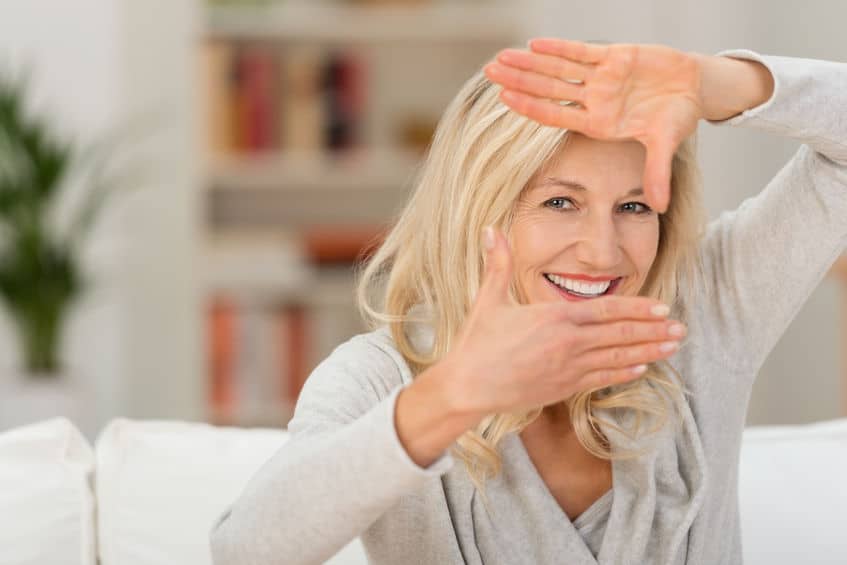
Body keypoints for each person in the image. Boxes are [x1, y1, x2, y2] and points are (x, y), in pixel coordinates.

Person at [209, 38, 847, 565]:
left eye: (633, 206)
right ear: (478, 211)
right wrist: (451, 396)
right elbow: (245, 550)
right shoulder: (380, 378)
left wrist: (717, 83)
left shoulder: (705, 315)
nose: (602, 253)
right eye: (558, 202)